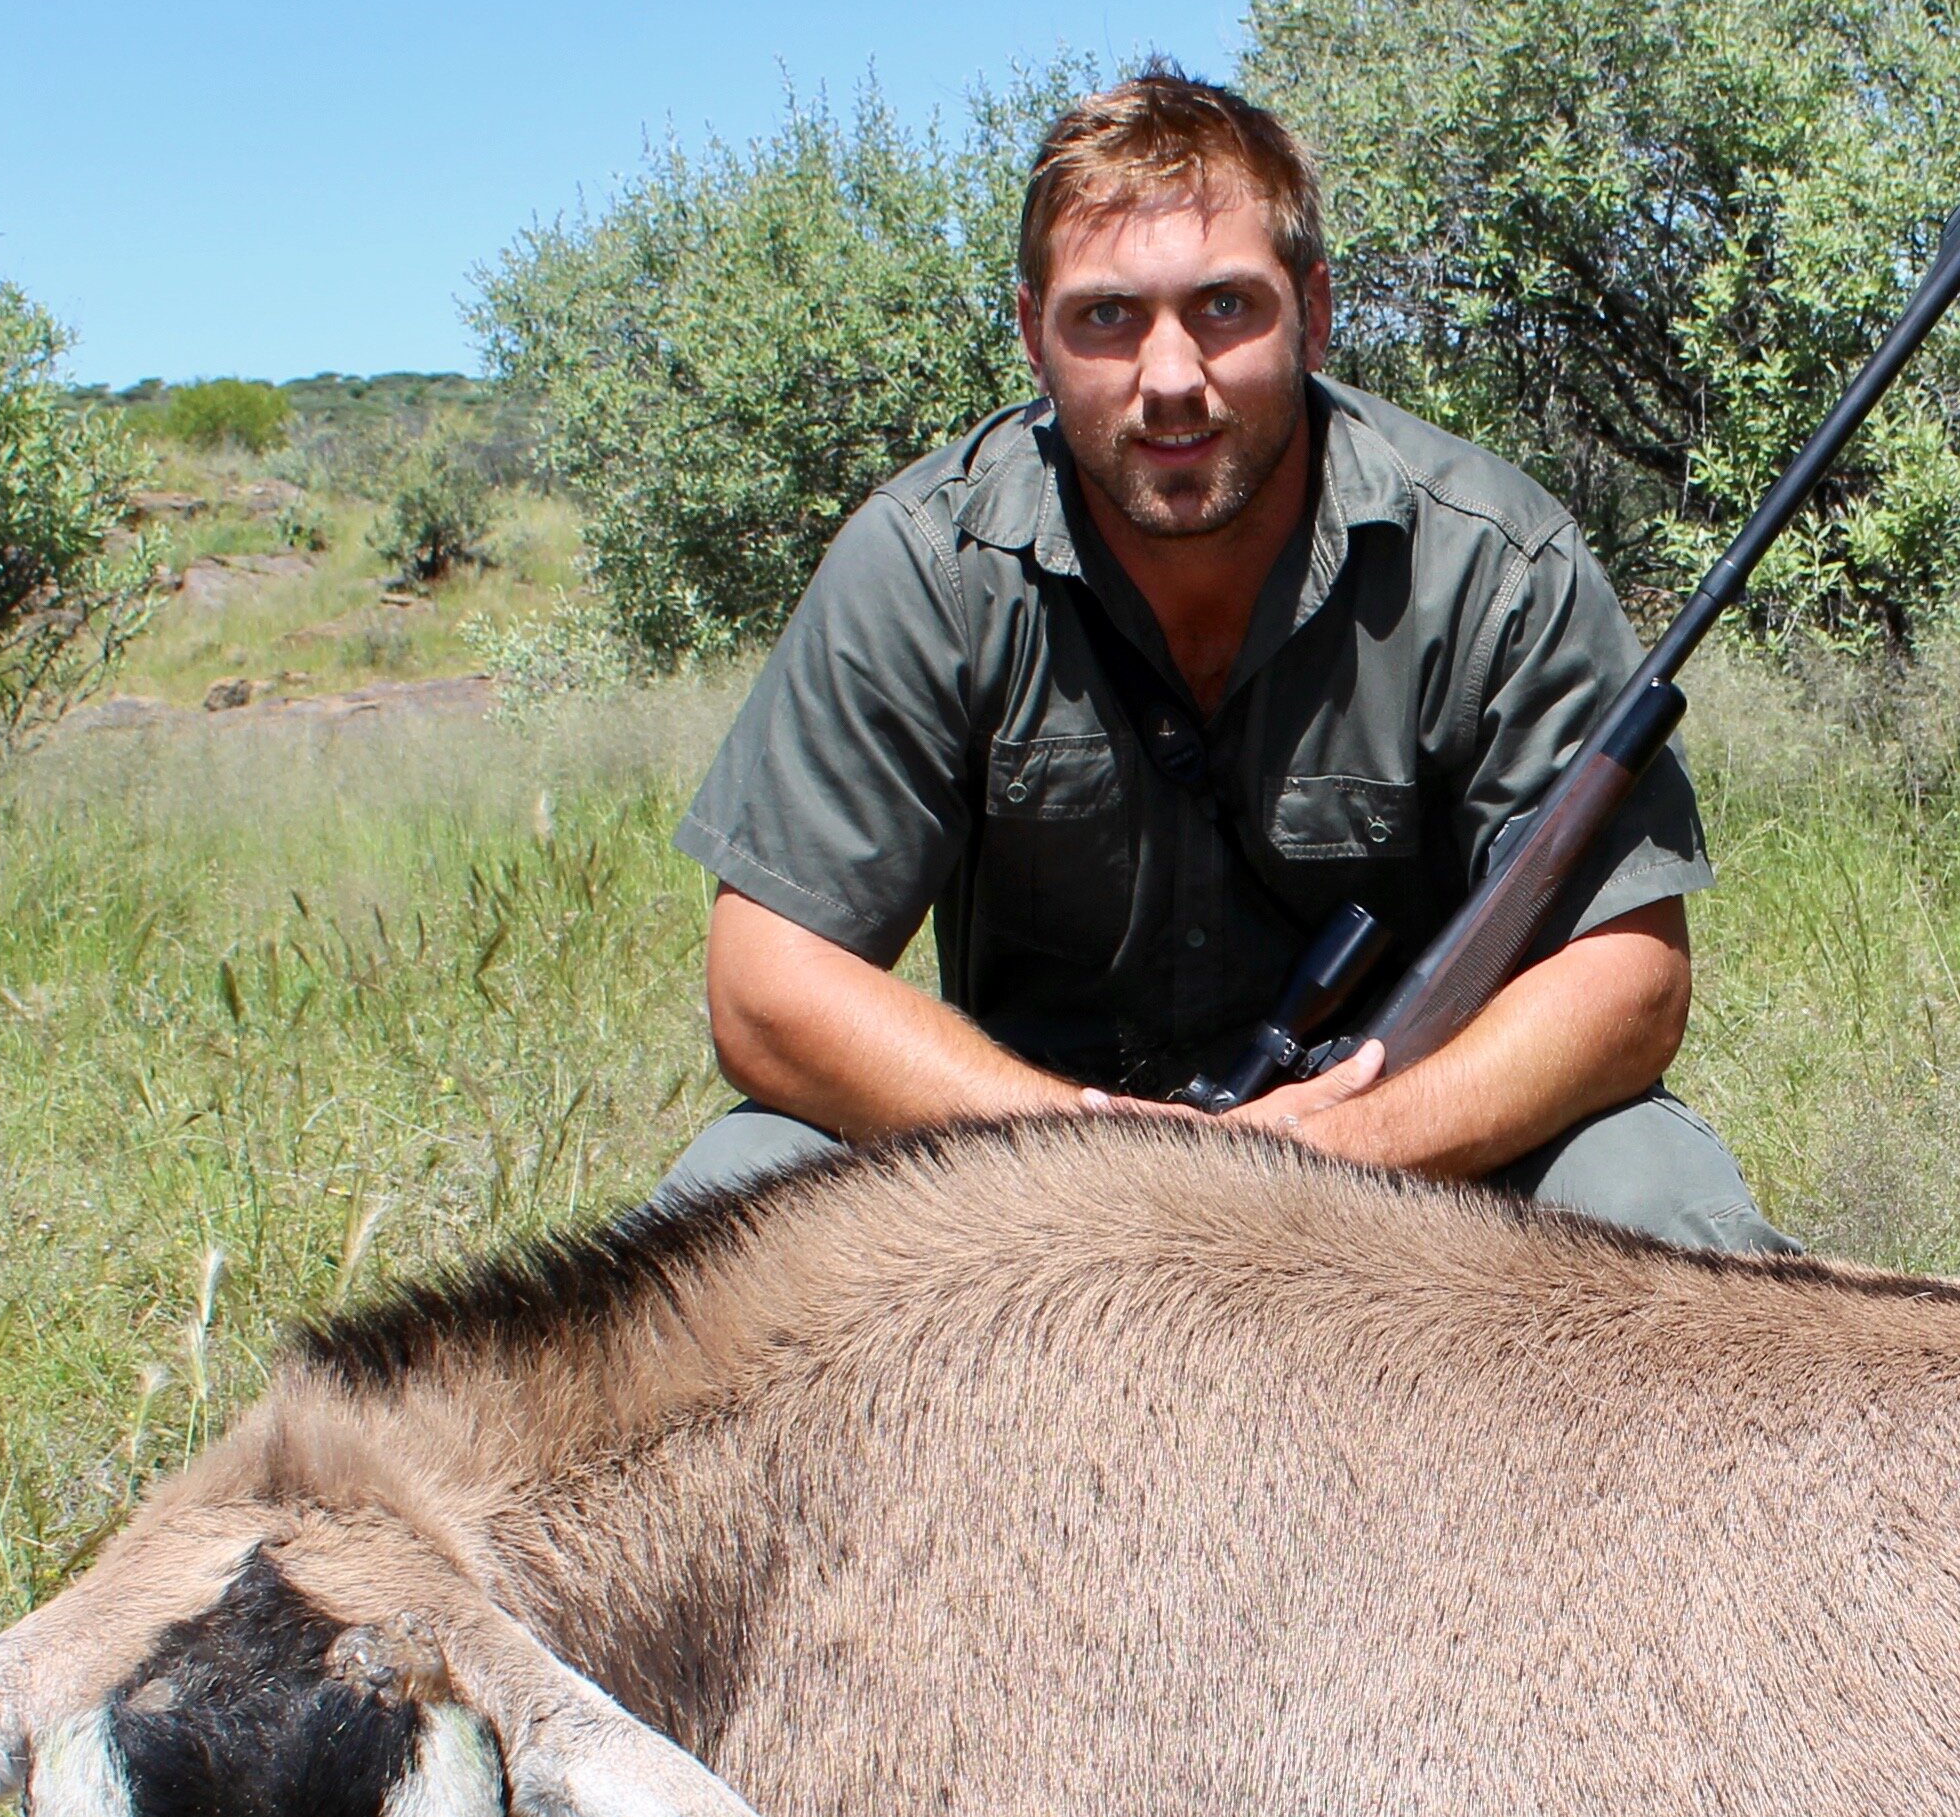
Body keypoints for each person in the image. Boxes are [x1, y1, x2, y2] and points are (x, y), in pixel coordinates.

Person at [653, 69, 1785, 1254]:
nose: (1172, 380)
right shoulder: (926, 561)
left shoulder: (1492, 560)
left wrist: (1337, 1154)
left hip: (1423, 1165)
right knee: (718, 1216)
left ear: (1317, 311)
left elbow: (1628, 985)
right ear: (1034, 334)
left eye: (1226, 308)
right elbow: (768, 987)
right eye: (1107, 317)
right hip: (1029, 1177)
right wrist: (1092, 1149)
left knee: (1661, 1211)